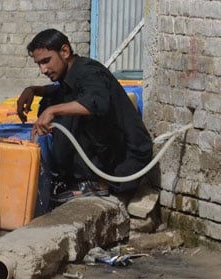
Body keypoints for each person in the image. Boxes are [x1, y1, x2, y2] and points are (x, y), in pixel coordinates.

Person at [16, 29, 153, 203]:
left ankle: (95, 182)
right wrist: (33, 90)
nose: (43, 69)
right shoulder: (73, 73)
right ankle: (74, 177)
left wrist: (52, 111)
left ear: (64, 52)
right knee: (52, 102)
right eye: (39, 64)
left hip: (126, 162)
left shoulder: (89, 71)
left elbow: (96, 103)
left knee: (61, 110)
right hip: (114, 158)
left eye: (46, 61)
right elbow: (64, 90)